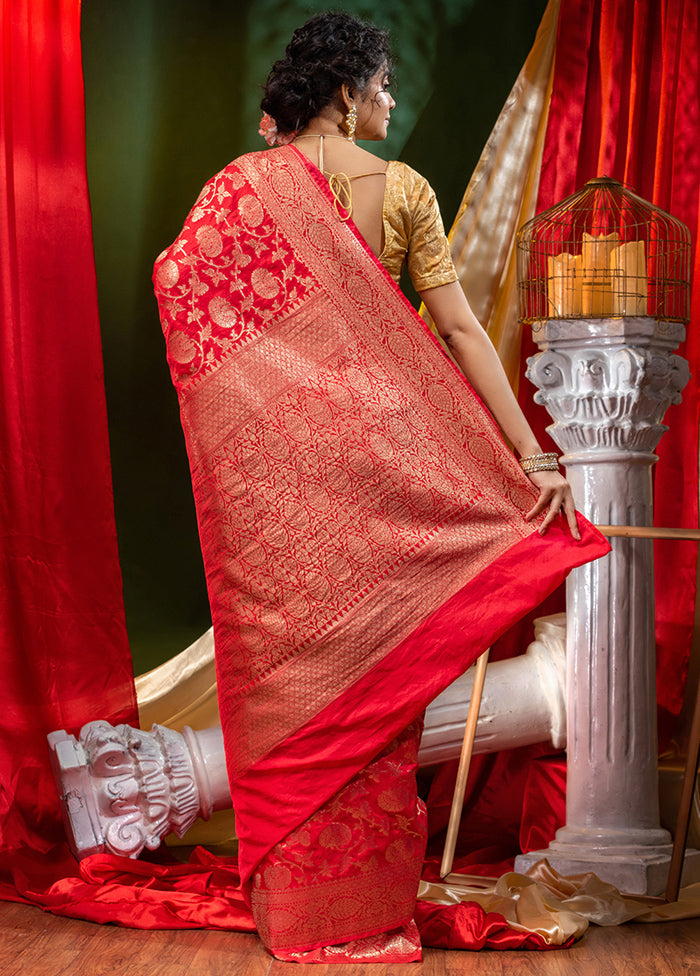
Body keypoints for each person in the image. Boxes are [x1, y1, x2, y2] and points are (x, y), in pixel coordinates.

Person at [153, 11, 608, 963]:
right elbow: (461, 333)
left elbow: (186, 291)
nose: (391, 103)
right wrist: (529, 457)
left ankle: (310, 916)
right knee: (377, 689)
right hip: (387, 468)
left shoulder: (242, 190)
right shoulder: (399, 190)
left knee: (302, 682)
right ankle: (366, 912)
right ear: (349, 90)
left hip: (286, 487)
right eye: (384, 87)